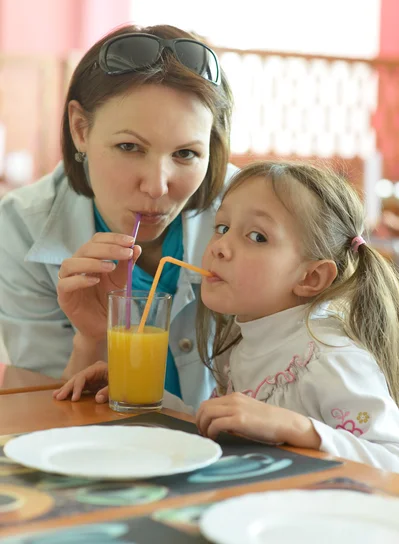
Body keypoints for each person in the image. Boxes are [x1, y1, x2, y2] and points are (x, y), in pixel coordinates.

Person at [55, 161, 399, 472]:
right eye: (221, 227)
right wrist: (146, 397)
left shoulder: (330, 357)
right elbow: (231, 427)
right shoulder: (240, 338)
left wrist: (298, 428)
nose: (219, 246)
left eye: (256, 236)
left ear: (311, 277)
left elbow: (390, 460)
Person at [0, 23, 236, 410]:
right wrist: (90, 339)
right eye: (129, 146)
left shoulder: (254, 217)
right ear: (80, 129)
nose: (158, 186)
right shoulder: (21, 226)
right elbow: (44, 414)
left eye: (186, 154)